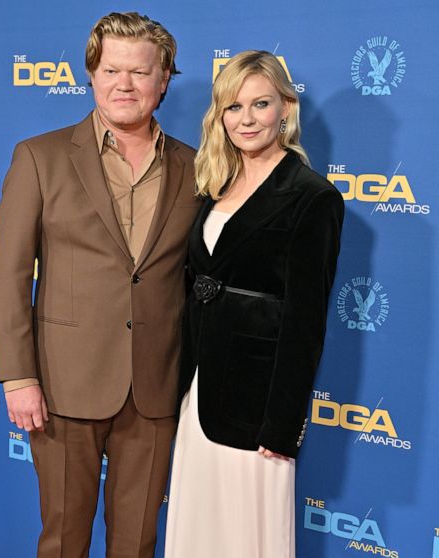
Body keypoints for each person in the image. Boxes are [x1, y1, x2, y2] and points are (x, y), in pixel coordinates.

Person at [0, 12, 200, 558]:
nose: (124, 84)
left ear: (164, 79)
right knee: (63, 539)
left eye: (139, 71)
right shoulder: (40, 157)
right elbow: (9, 275)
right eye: (111, 69)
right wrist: (17, 376)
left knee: (137, 542)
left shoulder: (196, 167)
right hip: (62, 384)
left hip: (155, 386)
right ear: (90, 74)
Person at [164, 50, 344, 558]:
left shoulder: (313, 197)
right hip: (199, 391)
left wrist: (283, 423)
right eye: (233, 106)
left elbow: (307, 320)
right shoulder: (213, 181)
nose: (246, 119)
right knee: (199, 527)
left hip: (257, 406)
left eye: (260, 104)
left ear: (285, 109)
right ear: (219, 115)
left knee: (247, 535)